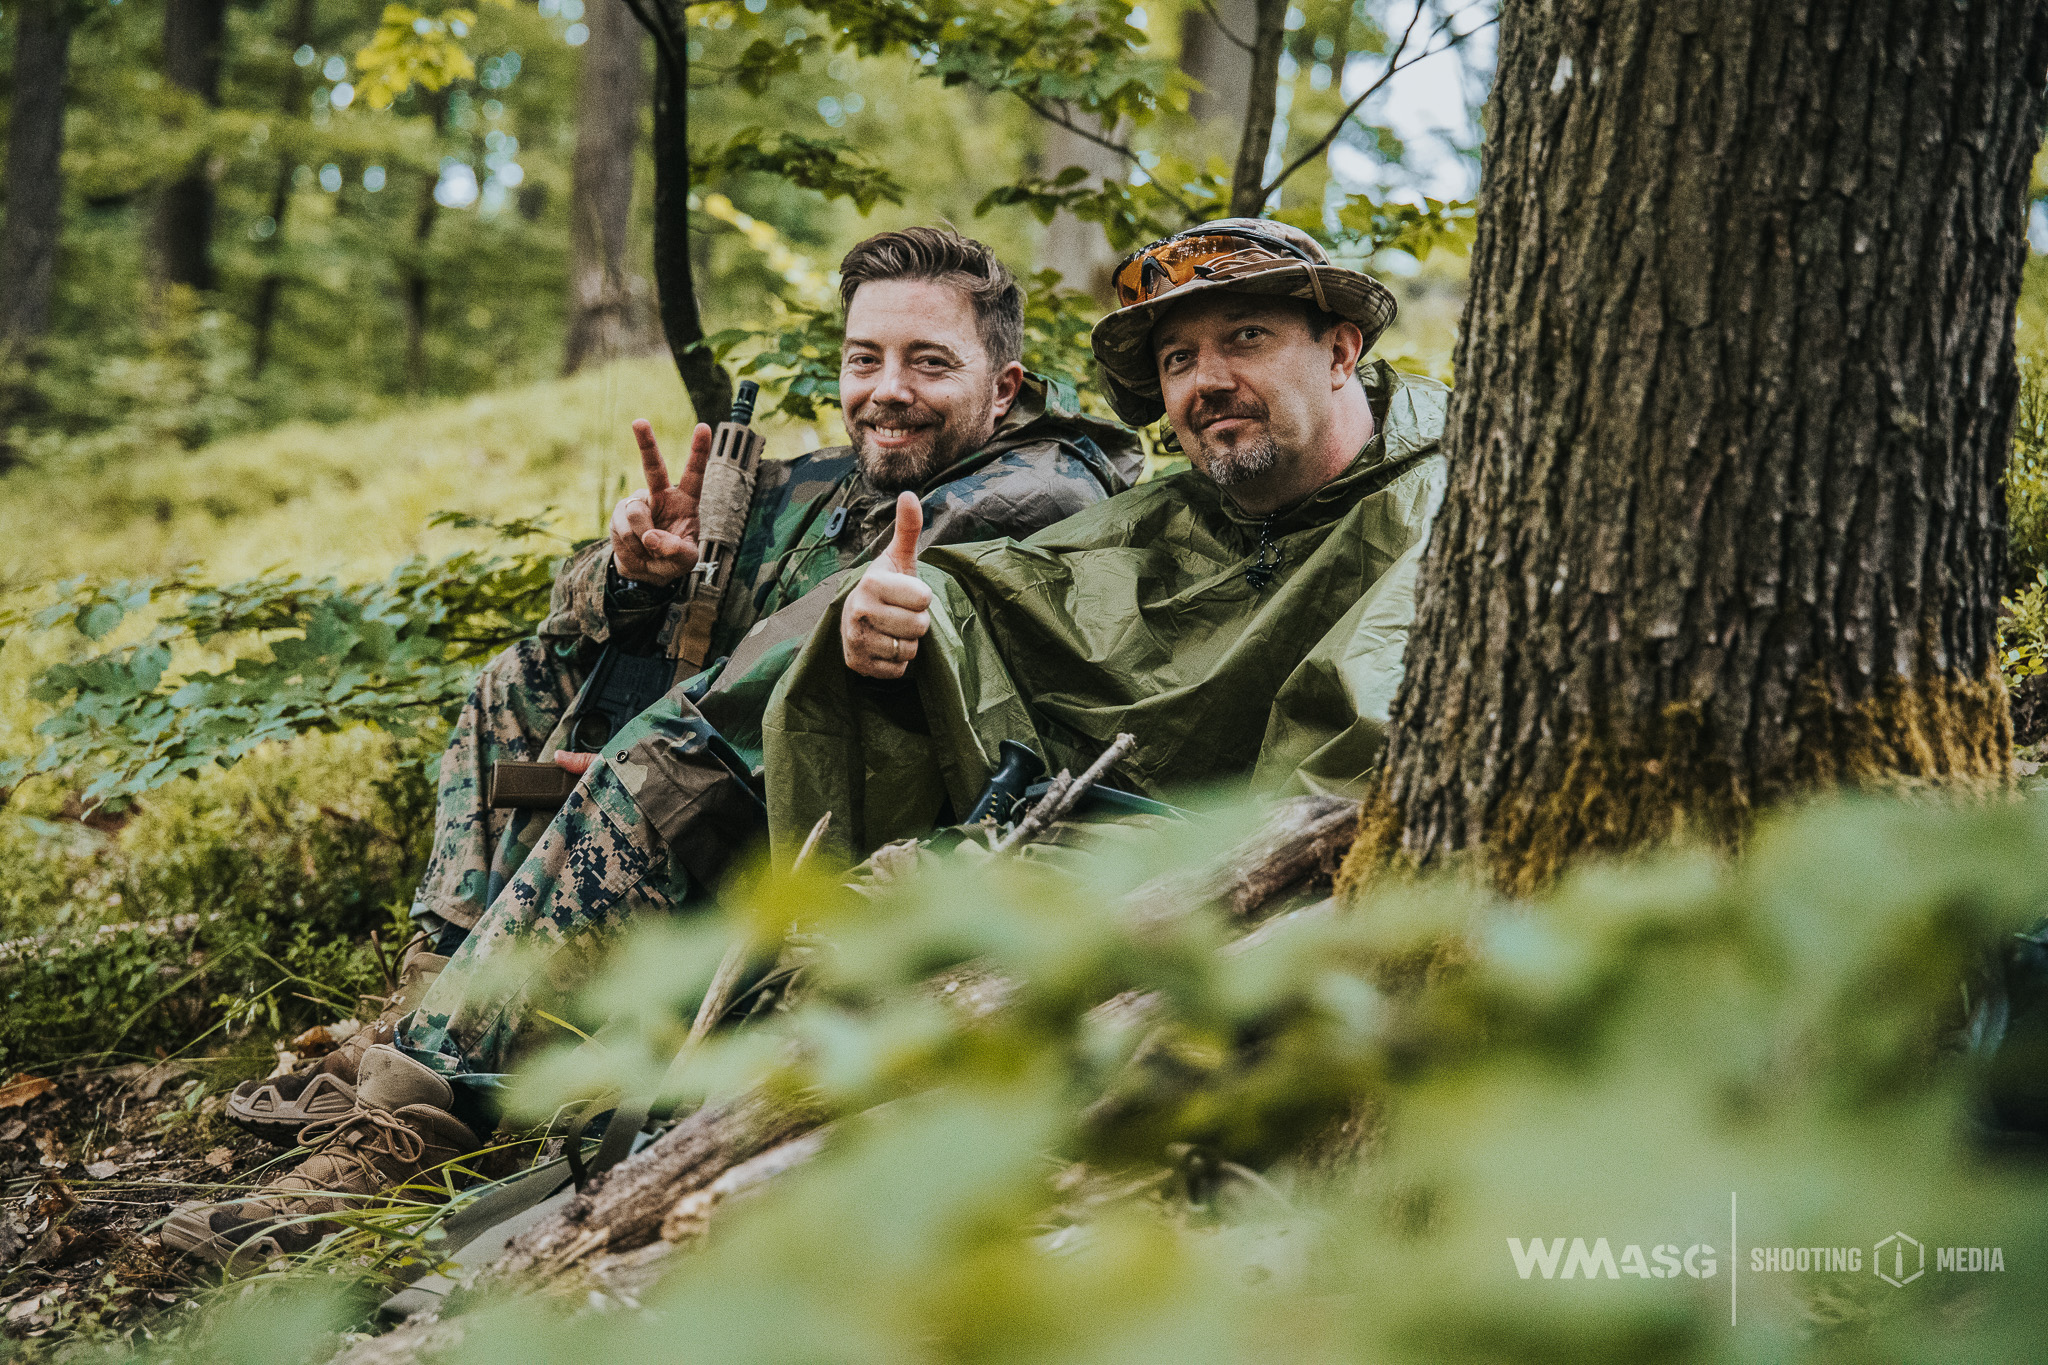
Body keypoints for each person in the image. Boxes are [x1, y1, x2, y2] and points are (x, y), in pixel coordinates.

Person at [166, 226, 1139, 1270]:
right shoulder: (833, 482)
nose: (886, 390)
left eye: (929, 362)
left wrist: (638, 759)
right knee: (521, 682)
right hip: (758, 789)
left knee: (658, 759)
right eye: (865, 358)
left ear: (1004, 385)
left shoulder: (1036, 494)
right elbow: (588, 618)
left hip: (875, 843)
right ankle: (427, 1014)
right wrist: (635, 566)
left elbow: (782, 676)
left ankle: (414, 1123)